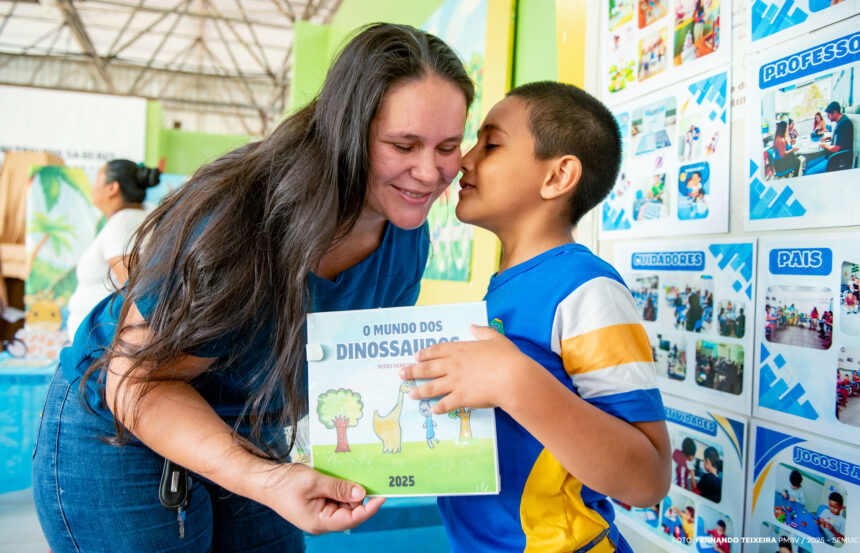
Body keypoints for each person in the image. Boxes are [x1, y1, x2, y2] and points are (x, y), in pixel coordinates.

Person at [32, 23, 474, 552]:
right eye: (404, 145)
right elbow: (136, 383)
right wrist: (266, 479)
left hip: (249, 420)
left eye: (448, 147)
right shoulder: (239, 215)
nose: (429, 173)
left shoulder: (408, 234)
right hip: (122, 419)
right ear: (347, 132)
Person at [401, 82, 670, 552]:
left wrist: (515, 381)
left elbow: (648, 479)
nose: (464, 160)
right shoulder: (502, 288)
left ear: (557, 176)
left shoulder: (588, 289)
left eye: (492, 144)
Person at [65, 160, 160, 337]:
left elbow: (134, 290)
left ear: (112, 188)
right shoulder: (134, 218)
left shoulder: (122, 223)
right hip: (99, 345)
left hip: (102, 348)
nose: (93, 187)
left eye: (98, 180)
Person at [805, 101, 854, 174]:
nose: (828, 118)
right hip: (831, 156)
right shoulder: (841, 121)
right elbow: (840, 137)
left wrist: (825, 146)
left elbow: (836, 149)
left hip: (835, 160)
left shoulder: (843, 124)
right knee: (808, 165)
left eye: (828, 115)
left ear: (835, 113)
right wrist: (827, 138)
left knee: (808, 173)